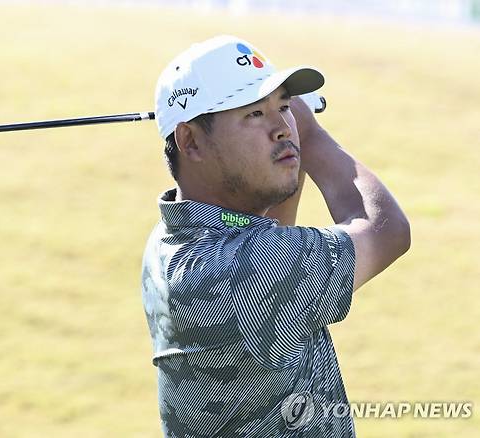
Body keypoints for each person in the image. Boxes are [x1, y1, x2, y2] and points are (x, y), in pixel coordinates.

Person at [140, 35, 411, 437]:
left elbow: (273, 233)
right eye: (253, 114)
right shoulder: (238, 270)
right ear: (191, 141)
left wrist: (287, 149)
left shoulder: (171, 240)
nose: (283, 128)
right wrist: (311, 135)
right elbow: (385, 230)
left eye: (283, 108)